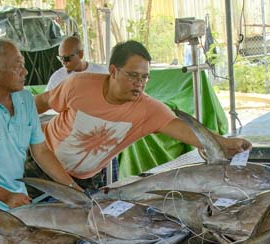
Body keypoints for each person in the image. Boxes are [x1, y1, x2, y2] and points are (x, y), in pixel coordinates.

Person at [34, 40, 250, 188]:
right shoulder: (78, 85)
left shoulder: (147, 109)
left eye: (145, 78)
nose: (139, 84)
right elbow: (41, 102)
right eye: (132, 76)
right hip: (39, 160)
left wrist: (224, 142)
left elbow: (181, 128)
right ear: (113, 71)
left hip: (84, 178)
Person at [0, 39, 78, 210]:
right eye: (17, 66)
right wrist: (5, 196)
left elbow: (41, 151)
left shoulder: (25, 99)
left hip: (18, 200)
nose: (24, 72)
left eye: (23, 65)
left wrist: (72, 189)